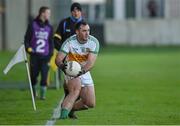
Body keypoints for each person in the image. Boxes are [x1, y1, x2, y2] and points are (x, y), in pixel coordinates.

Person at [55, 21, 99, 119]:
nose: (87, 33)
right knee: (75, 90)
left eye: (88, 30)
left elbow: (91, 63)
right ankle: (63, 115)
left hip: (84, 70)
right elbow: (58, 59)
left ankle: (70, 109)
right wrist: (63, 67)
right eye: (84, 31)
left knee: (90, 103)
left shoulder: (93, 42)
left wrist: (82, 71)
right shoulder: (69, 42)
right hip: (71, 69)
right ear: (77, 32)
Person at [53, 2, 84, 118]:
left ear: (81, 12)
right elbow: (56, 39)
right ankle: (68, 109)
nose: (76, 12)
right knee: (71, 85)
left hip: (80, 60)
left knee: (78, 86)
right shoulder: (64, 23)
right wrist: (63, 52)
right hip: (67, 60)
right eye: (73, 10)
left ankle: (69, 108)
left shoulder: (84, 25)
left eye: (78, 10)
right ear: (71, 12)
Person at [24, 6, 54, 100]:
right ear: (42, 13)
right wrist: (28, 48)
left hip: (45, 56)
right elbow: (26, 39)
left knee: (44, 76)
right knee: (33, 76)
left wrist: (51, 53)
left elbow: (50, 42)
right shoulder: (32, 24)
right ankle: (34, 93)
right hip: (34, 56)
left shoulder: (49, 27)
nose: (49, 15)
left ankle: (42, 96)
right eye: (48, 13)